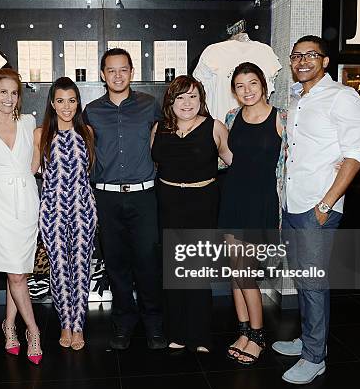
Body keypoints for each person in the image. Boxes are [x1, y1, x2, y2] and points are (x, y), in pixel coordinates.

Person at [272, 35, 360, 384]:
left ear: (325, 61)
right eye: (297, 56)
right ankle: (310, 340)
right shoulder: (297, 98)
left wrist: (326, 205)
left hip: (318, 207)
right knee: (303, 280)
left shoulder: (342, 96)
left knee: (313, 283)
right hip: (294, 204)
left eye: (311, 55)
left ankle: (315, 357)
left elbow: (356, 155)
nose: (302, 61)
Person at [83, 48, 167, 350]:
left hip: (144, 196)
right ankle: (122, 325)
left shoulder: (149, 105)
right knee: (116, 265)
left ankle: (155, 326)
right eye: (111, 70)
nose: (117, 75)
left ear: (132, 72)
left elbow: (161, 141)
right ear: (102, 74)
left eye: (123, 69)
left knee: (147, 263)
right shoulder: (91, 111)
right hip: (106, 198)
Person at [151, 75, 231, 352]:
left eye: (193, 96)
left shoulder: (215, 127)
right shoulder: (159, 128)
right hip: (168, 201)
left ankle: (199, 335)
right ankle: (176, 332)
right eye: (180, 97)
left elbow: (236, 162)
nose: (187, 103)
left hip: (202, 202)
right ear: (170, 102)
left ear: (201, 100)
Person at [219, 62, 287, 365]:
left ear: (264, 85)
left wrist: (336, 161)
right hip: (233, 197)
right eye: (240, 86)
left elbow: (300, 153)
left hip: (260, 202)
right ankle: (244, 331)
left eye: (252, 84)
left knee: (246, 273)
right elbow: (227, 157)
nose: (247, 91)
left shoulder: (281, 118)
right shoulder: (232, 117)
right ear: (234, 91)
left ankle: (259, 336)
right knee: (235, 273)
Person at [0, 68, 43, 365]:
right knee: (15, 273)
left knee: (17, 269)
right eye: (2, 91)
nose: (9, 98)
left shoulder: (29, 122)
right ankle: (34, 331)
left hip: (26, 201)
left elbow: (35, 161)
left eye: (14, 93)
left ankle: (9, 325)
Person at [33, 77, 97, 351]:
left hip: (84, 208)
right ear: (52, 103)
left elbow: (90, 172)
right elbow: (31, 169)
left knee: (81, 269)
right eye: (60, 100)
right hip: (52, 212)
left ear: (78, 102)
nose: (66, 106)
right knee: (59, 270)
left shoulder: (88, 132)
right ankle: (65, 323)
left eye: (71, 100)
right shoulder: (41, 134)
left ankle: (79, 325)